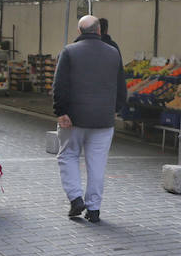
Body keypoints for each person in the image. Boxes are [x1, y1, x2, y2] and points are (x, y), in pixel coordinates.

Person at [52, 15, 128, 224]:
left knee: (68, 156)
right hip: (103, 120)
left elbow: (60, 86)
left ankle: (76, 198)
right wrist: (114, 109)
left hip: (73, 119)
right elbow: (122, 87)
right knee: (97, 164)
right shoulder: (113, 53)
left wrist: (61, 111)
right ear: (99, 31)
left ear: (79, 32)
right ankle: (94, 209)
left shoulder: (69, 51)